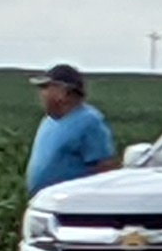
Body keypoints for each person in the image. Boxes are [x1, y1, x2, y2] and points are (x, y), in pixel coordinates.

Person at [26, 63, 117, 194]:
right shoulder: (48, 121)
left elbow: (104, 168)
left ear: (64, 92)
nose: (41, 94)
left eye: (45, 87)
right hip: (44, 204)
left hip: (72, 207)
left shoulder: (90, 122)